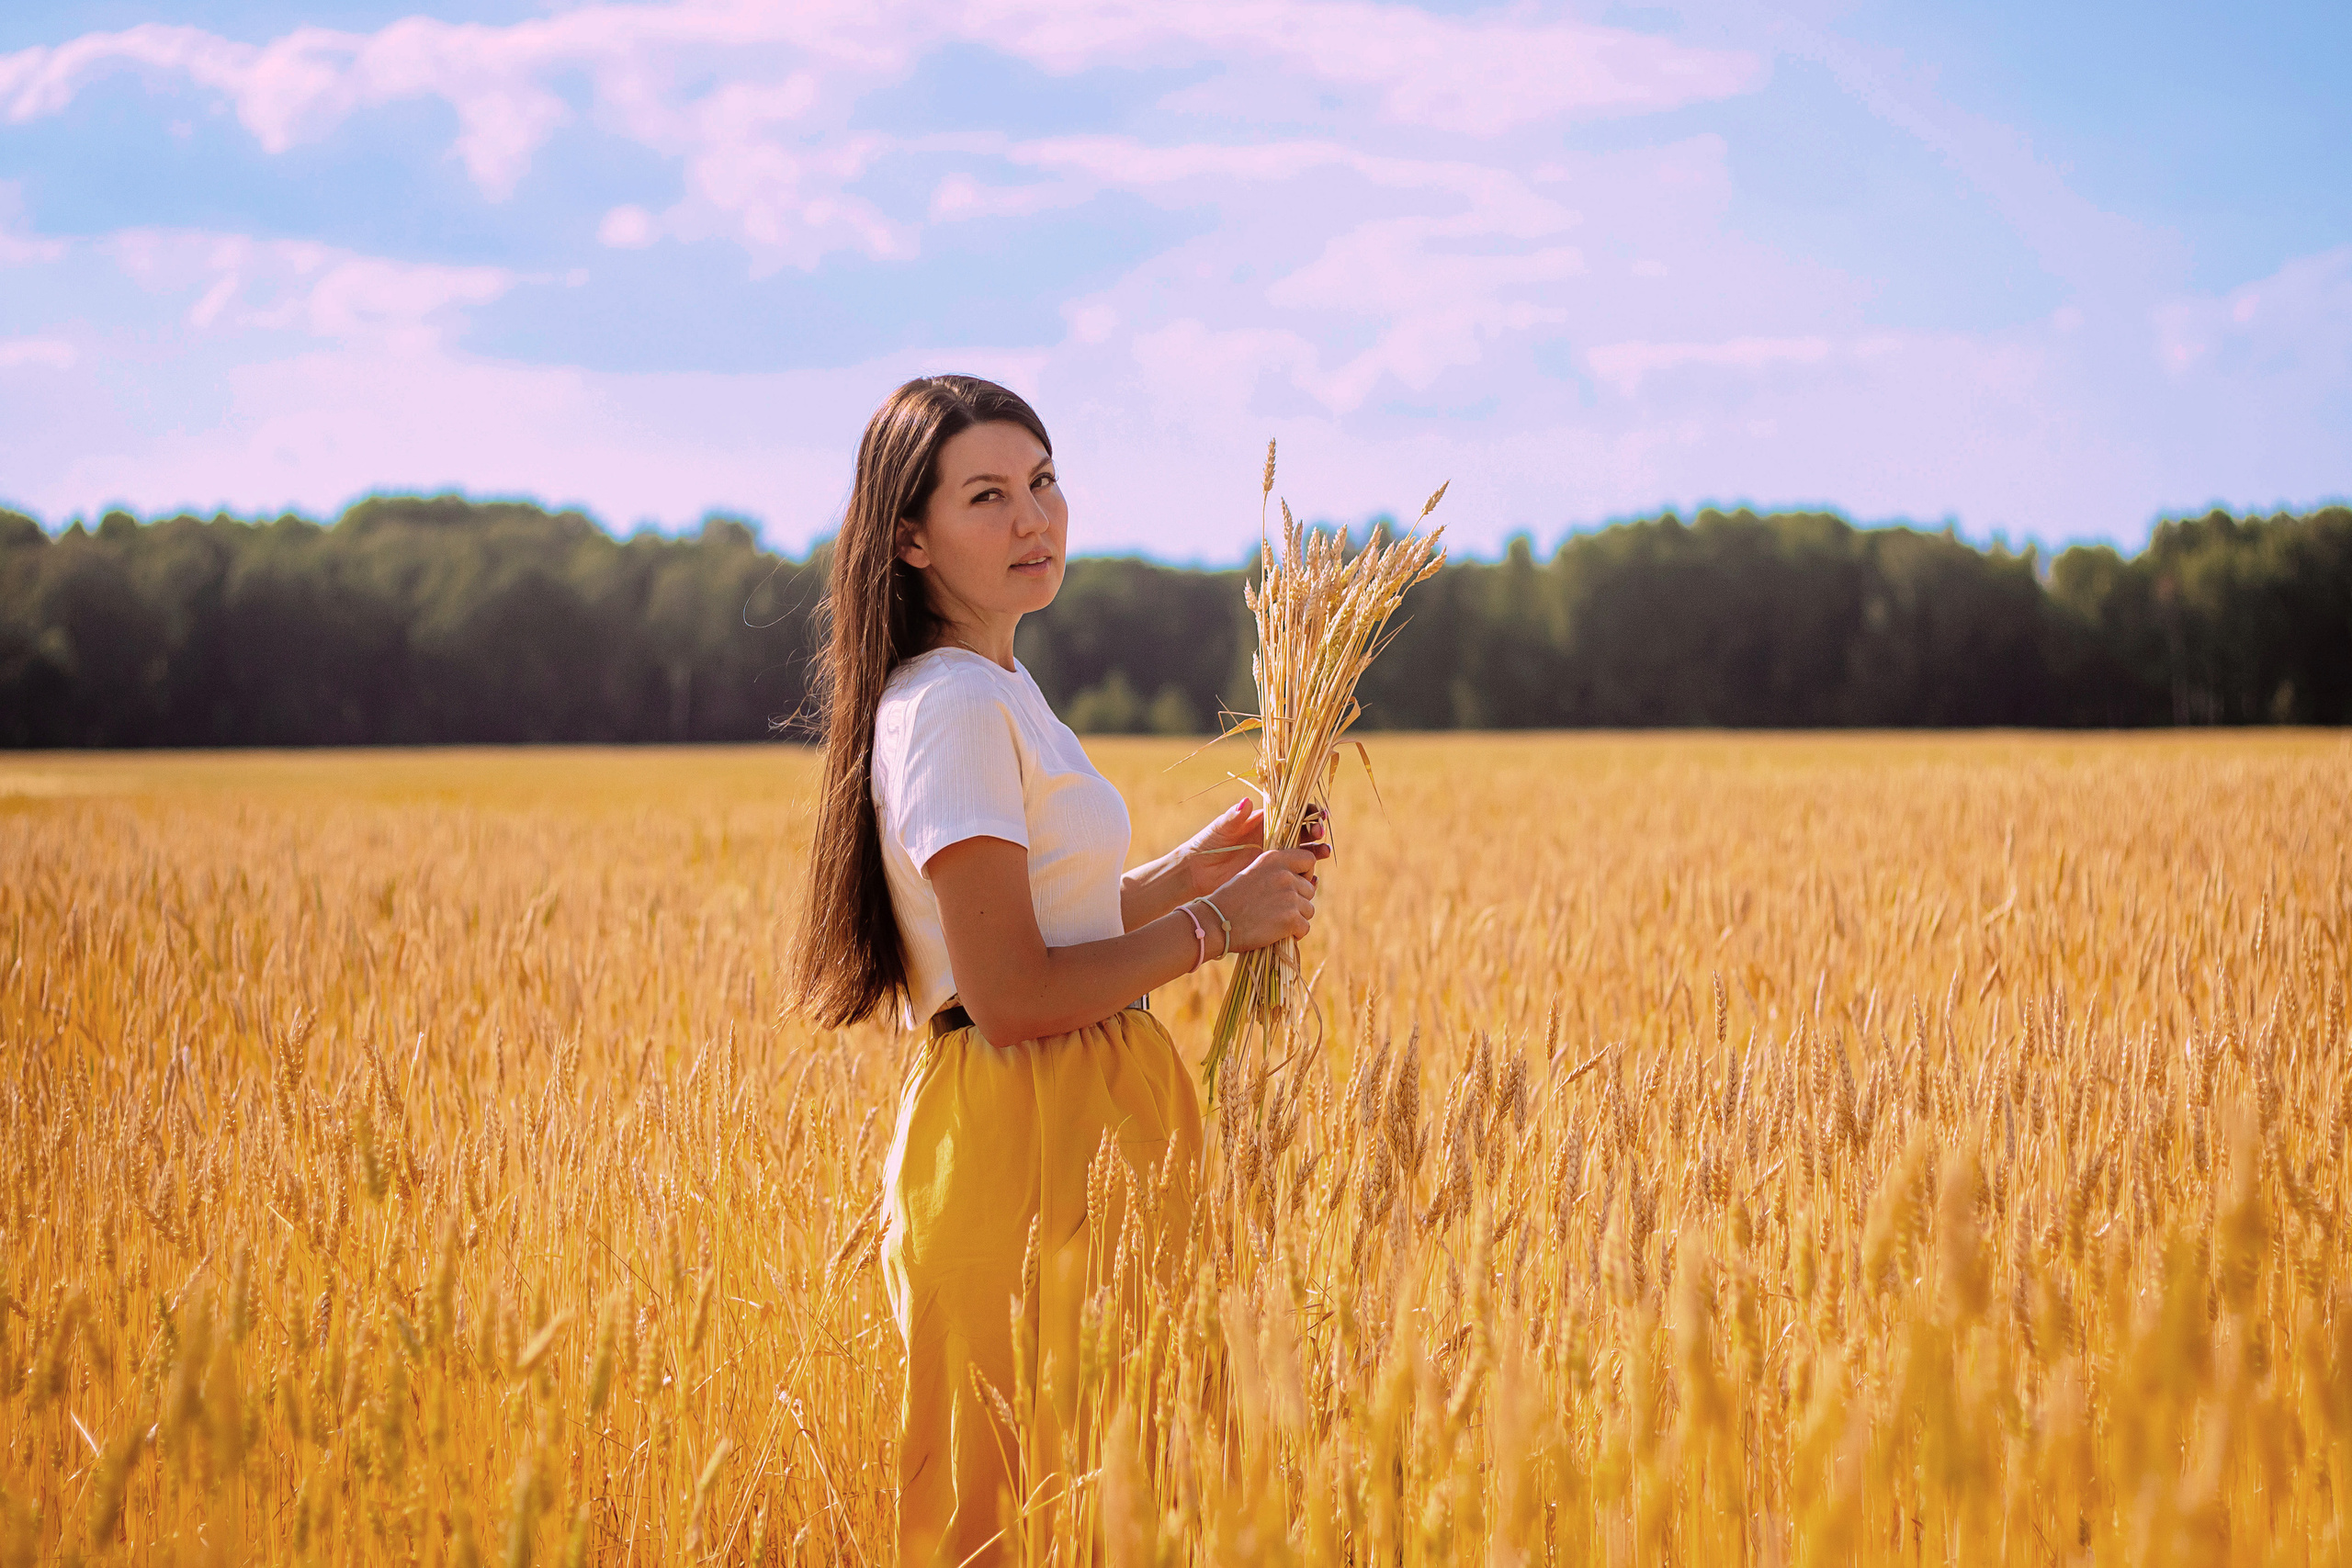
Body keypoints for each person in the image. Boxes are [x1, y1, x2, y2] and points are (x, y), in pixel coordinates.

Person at [788, 375, 1327, 1566]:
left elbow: (1058, 923)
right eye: (988, 495)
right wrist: (1219, 930)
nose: (1033, 518)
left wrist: (1205, 866)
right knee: (1025, 1515)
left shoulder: (996, 692)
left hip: (1065, 1125)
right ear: (909, 538)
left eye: (1042, 482)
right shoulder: (951, 709)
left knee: (1106, 1506)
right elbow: (1016, 994)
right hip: (1019, 1139)